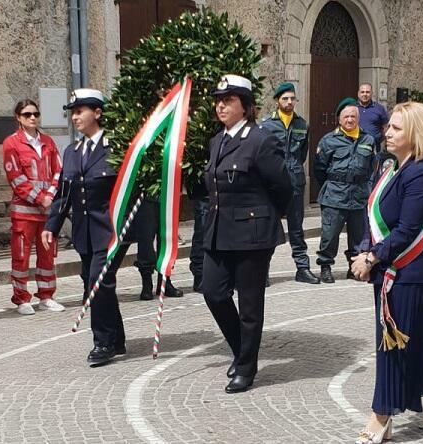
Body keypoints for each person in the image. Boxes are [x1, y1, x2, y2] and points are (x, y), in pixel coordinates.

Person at [351, 102, 423, 444]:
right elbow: (373, 217)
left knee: (393, 345)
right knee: (408, 342)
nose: (387, 132)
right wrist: (361, 249)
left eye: (396, 128)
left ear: (415, 134)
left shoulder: (422, 175)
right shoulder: (391, 169)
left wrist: (371, 258)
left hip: (410, 274)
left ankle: (380, 417)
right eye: (389, 127)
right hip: (389, 271)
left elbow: (406, 231)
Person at [202, 74, 292, 393]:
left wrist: (267, 216)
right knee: (212, 291)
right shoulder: (218, 140)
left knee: (250, 305)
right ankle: (243, 350)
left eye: (228, 100)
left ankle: (246, 367)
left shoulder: (261, 140)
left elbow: (283, 186)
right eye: (218, 100)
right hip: (219, 231)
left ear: (247, 107)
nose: (221, 105)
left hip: (252, 233)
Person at [42, 88, 127, 367]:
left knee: (97, 283)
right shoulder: (71, 152)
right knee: (96, 284)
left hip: (109, 229)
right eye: (72, 113)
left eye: (80, 111)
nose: (75, 117)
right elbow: (63, 193)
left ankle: (102, 343)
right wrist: (51, 226)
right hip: (84, 232)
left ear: (97, 113)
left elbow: (127, 189)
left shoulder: (115, 147)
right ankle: (117, 338)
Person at [1, 99, 66, 315]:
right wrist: (40, 198)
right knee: (21, 256)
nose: (32, 118)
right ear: (18, 118)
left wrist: (50, 196)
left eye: (35, 114)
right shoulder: (12, 143)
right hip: (24, 212)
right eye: (27, 114)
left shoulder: (48, 142)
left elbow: (59, 171)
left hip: (47, 213)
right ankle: (21, 299)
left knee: (47, 255)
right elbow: (16, 177)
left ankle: (46, 296)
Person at [260, 82, 318, 284]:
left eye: (292, 98)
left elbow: (302, 154)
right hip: (273, 185)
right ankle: (262, 271)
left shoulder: (303, 124)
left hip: (294, 183)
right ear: (277, 101)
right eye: (285, 98)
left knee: (296, 228)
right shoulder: (266, 125)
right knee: (269, 229)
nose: (289, 102)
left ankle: (302, 268)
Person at [314, 98, 376, 284]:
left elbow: (372, 167)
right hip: (334, 194)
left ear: (358, 118)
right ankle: (325, 266)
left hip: (358, 195)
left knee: (358, 236)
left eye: (353, 116)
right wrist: (334, 184)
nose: (350, 120)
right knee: (330, 234)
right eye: (346, 117)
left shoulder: (369, 140)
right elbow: (319, 169)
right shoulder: (328, 141)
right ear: (339, 120)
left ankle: (354, 266)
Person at [132, 197, 183, 301]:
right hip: (144, 193)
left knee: (167, 236)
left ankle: (164, 282)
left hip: (166, 195)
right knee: (145, 238)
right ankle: (147, 284)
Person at [356, 83, 389, 151]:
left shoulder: (379, 108)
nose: (365, 94)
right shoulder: (353, 108)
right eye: (362, 92)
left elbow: (385, 127)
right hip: (356, 146)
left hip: (374, 148)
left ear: (371, 93)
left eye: (367, 92)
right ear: (358, 94)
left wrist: (379, 139)